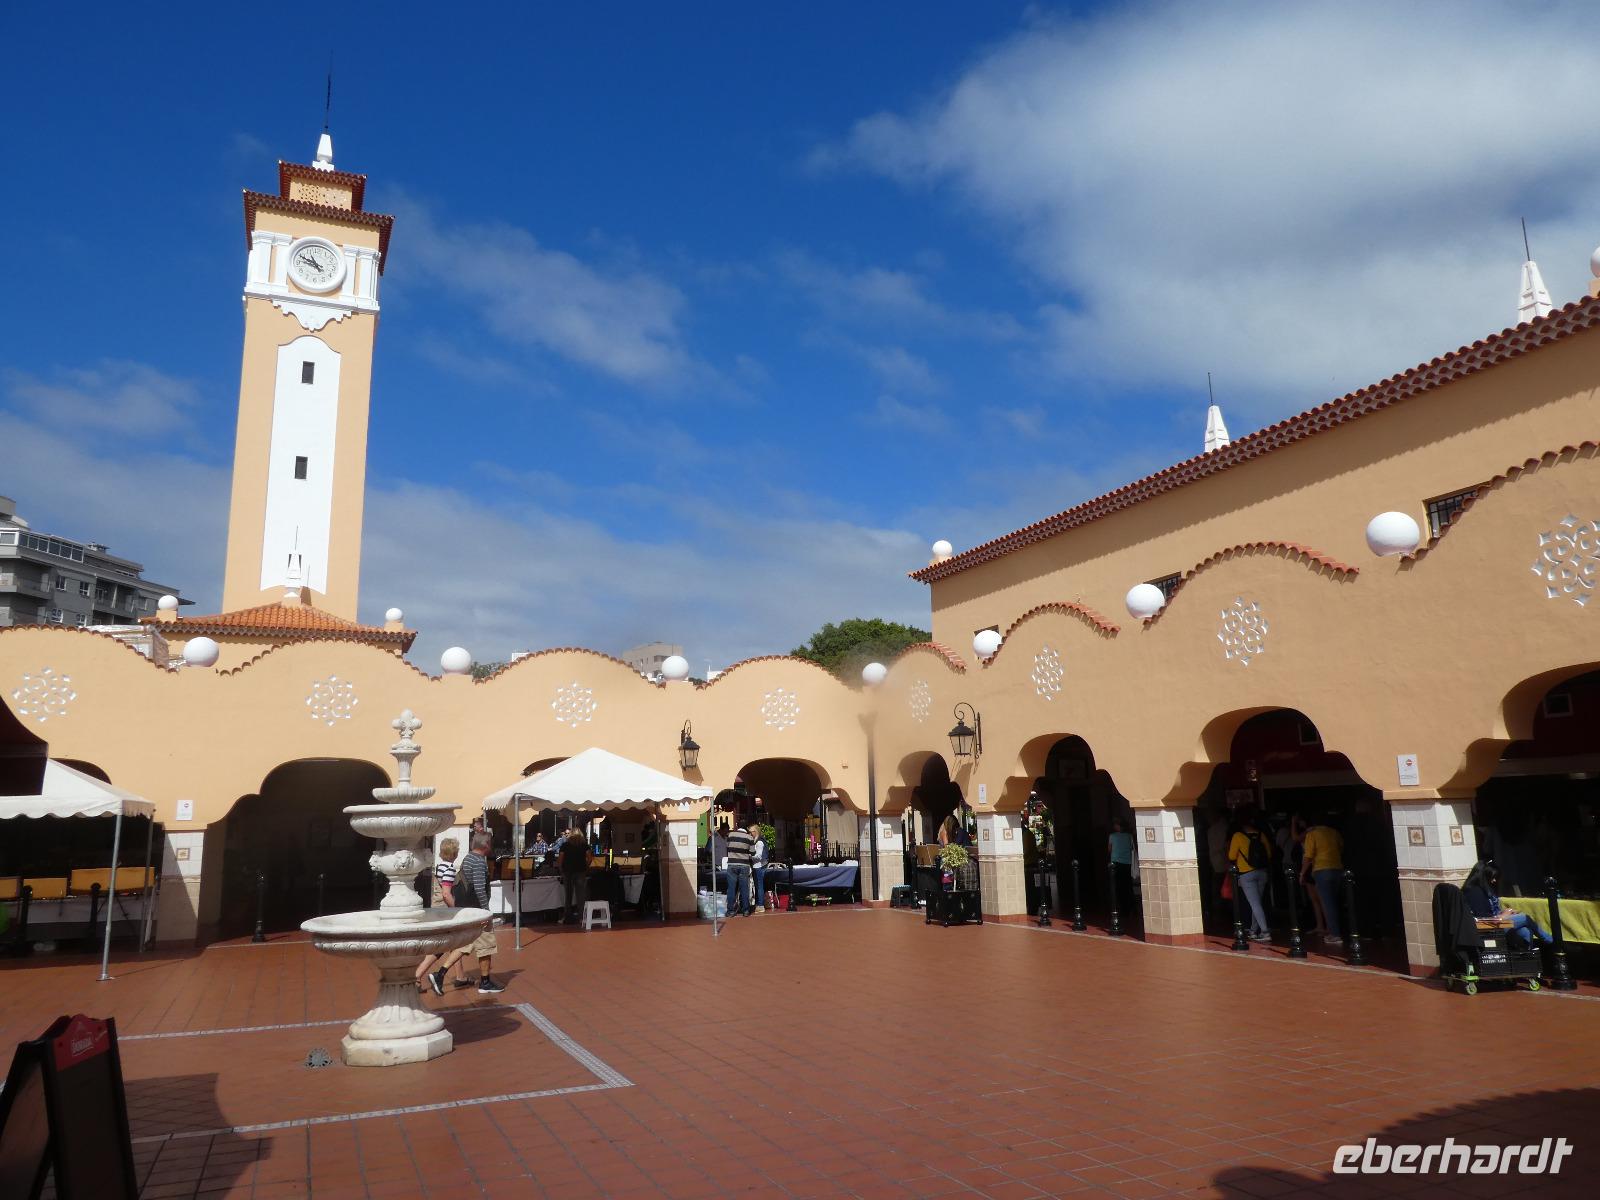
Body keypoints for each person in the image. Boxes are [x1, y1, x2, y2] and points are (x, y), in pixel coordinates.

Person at [430, 832, 504, 994]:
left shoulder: (468, 858)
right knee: (486, 945)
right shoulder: (478, 862)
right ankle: (484, 982)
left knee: (466, 944)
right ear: (486, 845)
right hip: (477, 911)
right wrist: (486, 912)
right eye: (490, 844)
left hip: (469, 909)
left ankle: (440, 974)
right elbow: (478, 887)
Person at [418, 838, 473, 994]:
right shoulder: (449, 868)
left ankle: (460, 977)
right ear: (454, 853)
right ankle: (417, 977)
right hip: (445, 912)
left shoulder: (440, 866)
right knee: (444, 946)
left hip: (437, 910)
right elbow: (446, 894)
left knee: (453, 944)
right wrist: (456, 910)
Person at [1462, 861, 1547, 948]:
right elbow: (1483, 917)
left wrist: (1505, 913)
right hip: (1487, 927)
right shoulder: (1474, 892)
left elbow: (1488, 912)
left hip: (1493, 923)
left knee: (1524, 931)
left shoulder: (1482, 890)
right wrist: (1502, 916)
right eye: (1492, 878)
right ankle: (1551, 941)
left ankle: (1527, 956)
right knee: (1524, 918)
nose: (1494, 880)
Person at [1228, 811, 1274, 941]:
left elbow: (1231, 856)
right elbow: (1269, 854)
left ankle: (1265, 932)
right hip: (1262, 872)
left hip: (1246, 874)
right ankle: (1254, 931)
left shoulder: (1237, 836)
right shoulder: (1261, 835)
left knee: (1254, 904)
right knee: (1257, 903)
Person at [1300, 817, 1346, 945]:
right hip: (1337, 868)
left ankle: (1334, 933)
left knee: (1327, 902)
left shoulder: (1312, 834)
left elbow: (1308, 855)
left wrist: (1302, 873)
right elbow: (1341, 848)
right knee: (1334, 901)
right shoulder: (1334, 832)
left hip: (1321, 869)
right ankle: (1337, 929)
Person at [559, 828, 591, 923]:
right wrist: (586, 867)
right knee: (580, 895)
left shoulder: (565, 845)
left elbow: (560, 859)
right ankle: (581, 917)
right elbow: (589, 858)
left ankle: (567, 917)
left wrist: (561, 869)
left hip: (567, 872)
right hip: (581, 871)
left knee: (568, 895)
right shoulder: (585, 845)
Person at [725, 818, 756, 916]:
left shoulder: (730, 835)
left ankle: (730, 911)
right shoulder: (749, 838)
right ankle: (746, 910)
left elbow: (727, 847)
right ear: (746, 827)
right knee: (744, 888)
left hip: (732, 865)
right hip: (744, 865)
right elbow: (753, 852)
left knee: (731, 888)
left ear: (737, 825)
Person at [1108, 818, 1135, 918]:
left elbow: (1109, 849)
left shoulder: (1112, 836)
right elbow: (1132, 848)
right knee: (1127, 885)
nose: (1114, 826)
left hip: (1116, 863)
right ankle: (1131, 907)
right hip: (1127, 863)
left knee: (1118, 886)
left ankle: (1121, 907)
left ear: (1119, 826)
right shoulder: (1129, 836)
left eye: (1116, 824)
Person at [748, 818, 768, 913]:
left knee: (759, 886)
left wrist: (749, 857)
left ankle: (760, 905)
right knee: (758, 885)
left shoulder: (759, 842)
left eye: (751, 832)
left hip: (759, 866)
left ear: (756, 832)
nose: (750, 834)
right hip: (758, 866)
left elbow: (759, 856)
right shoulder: (757, 841)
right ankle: (759, 904)